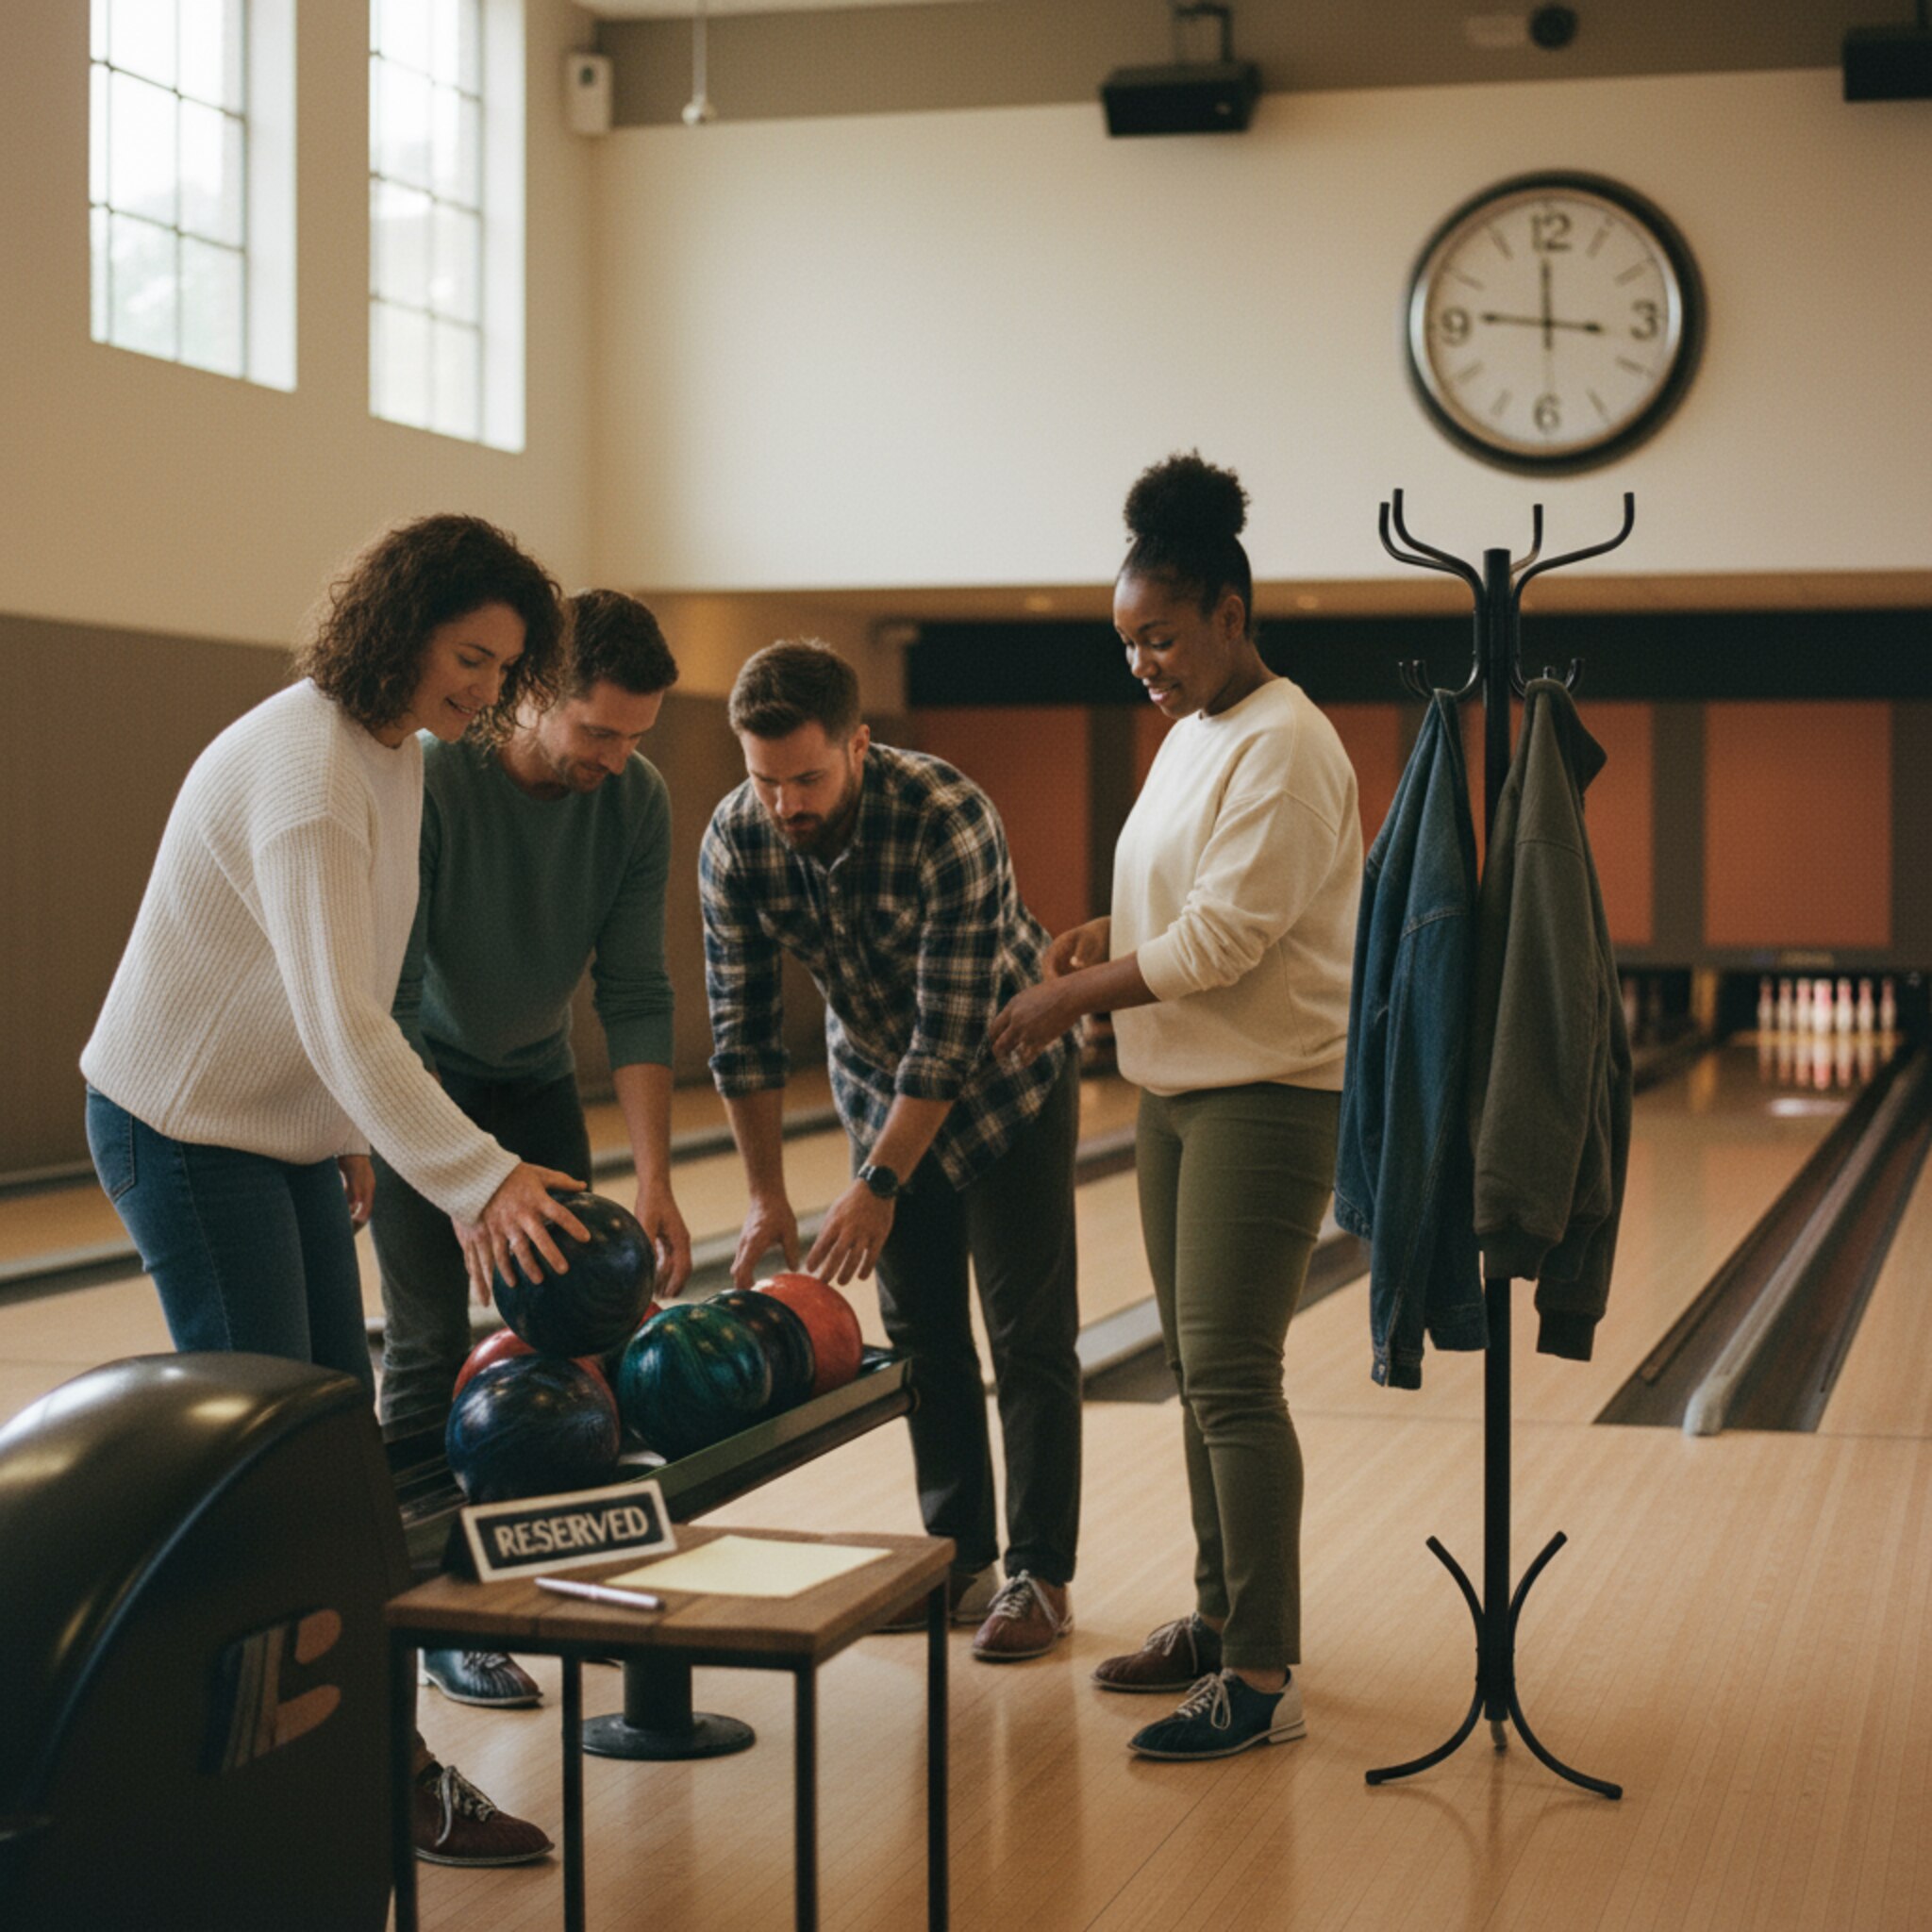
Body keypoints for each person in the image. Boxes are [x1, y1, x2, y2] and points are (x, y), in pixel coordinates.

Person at [82, 513, 586, 1865]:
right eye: (470, 659)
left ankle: (361, 1760)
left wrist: (351, 1132)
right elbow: (336, 1017)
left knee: (333, 1455)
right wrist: (479, 1180)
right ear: (398, 625)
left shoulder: (391, 750)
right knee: (267, 1479)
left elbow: (355, 988)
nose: (484, 693)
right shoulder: (306, 767)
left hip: (277, 1130)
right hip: (185, 1134)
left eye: (503, 672)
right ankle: (272, 1779)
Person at [990, 454, 1361, 1759]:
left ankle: (1262, 1676)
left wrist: (1066, 997)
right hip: (1179, 1091)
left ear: (1229, 616)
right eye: (1125, 643)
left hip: (1265, 1097)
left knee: (1235, 1381)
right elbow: (1183, 907)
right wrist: (1105, 930)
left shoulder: (1289, 743)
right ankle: (1216, 1621)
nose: (1141, 663)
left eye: (1158, 637)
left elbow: (1227, 943)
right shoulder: (1195, 736)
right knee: (1202, 1378)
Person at [700, 641, 1083, 1662]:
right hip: (875, 1080)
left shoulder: (945, 813)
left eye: (806, 777)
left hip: (1006, 1075)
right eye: (762, 778)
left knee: (1026, 1330)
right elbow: (739, 1029)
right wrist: (761, 1194)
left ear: (858, 744)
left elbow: (950, 1031)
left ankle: (1038, 1574)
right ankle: (958, 1557)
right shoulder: (736, 837)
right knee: (921, 1335)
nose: (782, 801)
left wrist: (875, 1182)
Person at [376, 587, 692, 1710]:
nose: (614, 756)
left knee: (574, 1342)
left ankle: (555, 1580)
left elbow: (639, 994)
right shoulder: (430, 775)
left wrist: (654, 1180)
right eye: (595, 730)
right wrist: (460, 1178)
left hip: (540, 1084)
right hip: (423, 1084)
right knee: (423, 1341)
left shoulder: (633, 800)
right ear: (530, 694)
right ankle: (443, 1623)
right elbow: (396, 1002)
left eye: (635, 735)